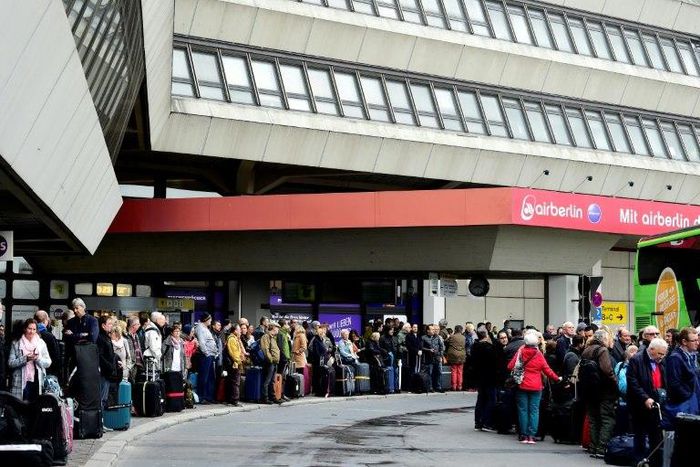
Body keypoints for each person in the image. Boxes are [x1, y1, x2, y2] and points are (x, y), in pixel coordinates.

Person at [507, 330, 561, 444]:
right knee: (534, 410)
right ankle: (532, 435)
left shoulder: (521, 351)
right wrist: (557, 378)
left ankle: (524, 435)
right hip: (536, 386)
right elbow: (547, 370)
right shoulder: (538, 354)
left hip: (522, 384)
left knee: (523, 410)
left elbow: (510, 366)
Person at [626, 338, 668, 466]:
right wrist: (645, 398)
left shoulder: (662, 361)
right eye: (660, 353)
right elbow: (633, 382)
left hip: (657, 403)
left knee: (656, 436)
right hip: (640, 405)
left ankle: (655, 461)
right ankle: (639, 461)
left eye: (664, 354)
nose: (662, 357)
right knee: (640, 435)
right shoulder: (636, 360)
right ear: (651, 349)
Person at [579, 330, 618, 458]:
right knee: (607, 419)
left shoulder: (587, 350)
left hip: (589, 390)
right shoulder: (602, 350)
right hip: (604, 390)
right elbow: (607, 370)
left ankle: (593, 446)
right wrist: (615, 382)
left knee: (593, 419)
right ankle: (602, 448)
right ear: (604, 339)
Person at [662, 327, 700, 426]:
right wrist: (688, 396)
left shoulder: (693, 355)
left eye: (697, 339)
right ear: (684, 341)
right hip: (685, 403)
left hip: (694, 400)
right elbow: (674, 383)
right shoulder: (675, 358)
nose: (697, 343)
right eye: (694, 340)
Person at [8, 318, 51, 401]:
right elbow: (10, 363)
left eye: (34, 329)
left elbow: (48, 362)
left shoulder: (41, 343)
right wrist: (25, 359)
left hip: (37, 380)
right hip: (20, 381)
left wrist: (38, 358)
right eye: (29, 328)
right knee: (20, 406)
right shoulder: (16, 343)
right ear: (25, 329)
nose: (31, 331)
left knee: (35, 407)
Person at [471, 326, 498, 432]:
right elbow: (494, 362)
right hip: (489, 377)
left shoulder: (475, 346)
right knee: (491, 399)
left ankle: (478, 422)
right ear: (486, 334)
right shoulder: (488, 347)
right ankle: (487, 422)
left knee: (481, 399)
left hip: (480, 377)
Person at [96, 316, 120, 409]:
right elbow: (100, 356)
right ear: (103, 326)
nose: (111, 326)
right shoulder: (101, 338)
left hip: (107, 371)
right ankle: (99, 421)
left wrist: (115, 362)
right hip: (104, 372)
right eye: (109, 324)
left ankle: (101, 420)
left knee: (104, 398)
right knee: (102, 398)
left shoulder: (106, 337)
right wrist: (110, 366)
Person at [194, 314, 218, 403]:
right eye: (210, 319)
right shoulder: (200, 328)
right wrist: (207, 353)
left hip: (210, 355)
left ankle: (209, 396)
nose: (211, 321)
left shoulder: (205, 328)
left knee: (210, 377)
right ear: (206, 319)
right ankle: (201, 397)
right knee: (204, 377)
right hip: (205, 356)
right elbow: (202, 342)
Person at [34, 310, 61, 379]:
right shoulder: (49, 336)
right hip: (48, 370)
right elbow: (56, 356)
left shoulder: (30, 334)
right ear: (45, 321)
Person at [260, 321, 282, 404]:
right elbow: (265, 350)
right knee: (267, 381)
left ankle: (272, 397)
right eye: (277, 328)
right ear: (273, 328)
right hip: (270, 363)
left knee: (272, 381)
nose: (278, 330)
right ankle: (265, 398)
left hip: (274, 362)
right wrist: (271, 360)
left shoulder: (272, 337)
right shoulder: (266, 337)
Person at [422, 325, 445, 393]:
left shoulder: (437, 337)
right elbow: (421, 347)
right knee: (430, 373)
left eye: (434, 329)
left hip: (437, 358)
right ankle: (430, 387)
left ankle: (438, 387)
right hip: (429, 358)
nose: (434, 331)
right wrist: (429, 350)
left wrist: (440, 355)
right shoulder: (424, 338)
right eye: (432, 329)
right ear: (428, 330)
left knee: (438, 373)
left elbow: (441, 347)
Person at [225, 323, 244, 406]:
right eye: (239, 329)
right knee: (235, 382)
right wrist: (239, 361)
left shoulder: (235, 338)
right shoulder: (232, 339)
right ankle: (234, 400)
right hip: (234, 364)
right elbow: (234, 353)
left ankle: (231, 400)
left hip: (235, 363)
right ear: (235, 331)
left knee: (233, 382)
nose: (240, 331)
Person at [445, 325, 466, 391]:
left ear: (455, 330)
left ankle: (454, 386)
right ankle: (459, 386)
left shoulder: (452, 337)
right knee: (460, 371)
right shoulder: (464, 337)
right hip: (462, 355)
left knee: (454, 370)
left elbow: (446, 342)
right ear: (461, 330)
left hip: (453, 355)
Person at [124, 316, 143, 383]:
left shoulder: (136, 335)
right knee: (130, 383)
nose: (139, 325)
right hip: (131, 365)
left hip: (138, 364)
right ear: (133, 326)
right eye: (138, 324)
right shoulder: (125, 336)